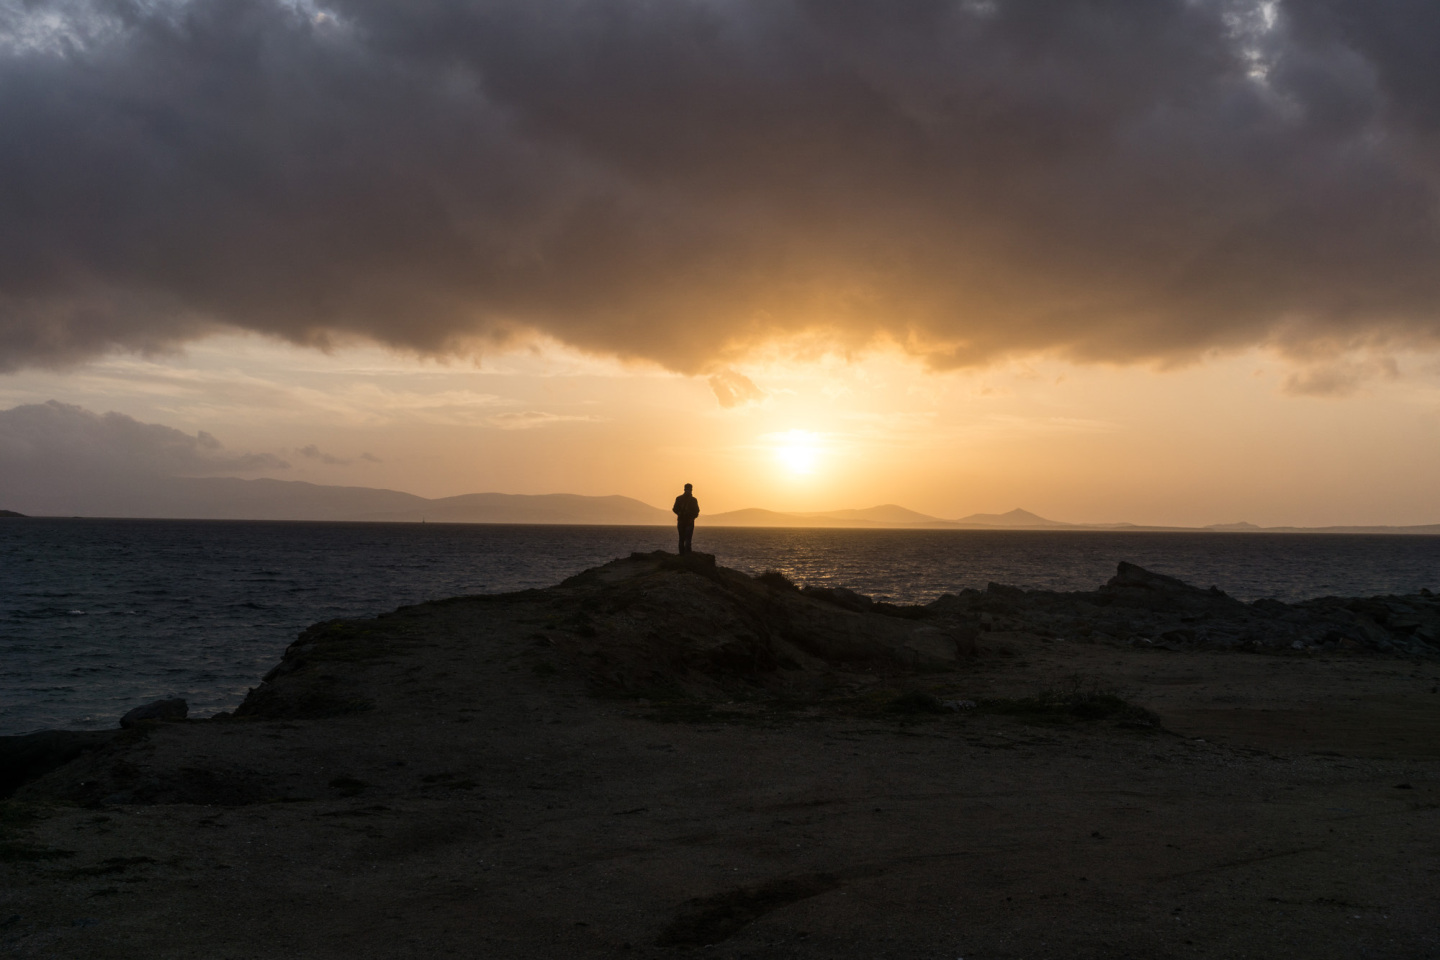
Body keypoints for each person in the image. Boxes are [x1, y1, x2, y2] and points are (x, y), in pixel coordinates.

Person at [672, 483, 699, 555]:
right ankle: (686, 556)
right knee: (686, 540)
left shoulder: (680, 499)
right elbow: (697, 511)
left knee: (683, 539)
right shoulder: (693, 500)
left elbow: (675, 509)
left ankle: (683, 556)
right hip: (687, 522)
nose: (689, 491)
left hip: (684, 521)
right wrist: (691, 517)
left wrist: (680, 513)